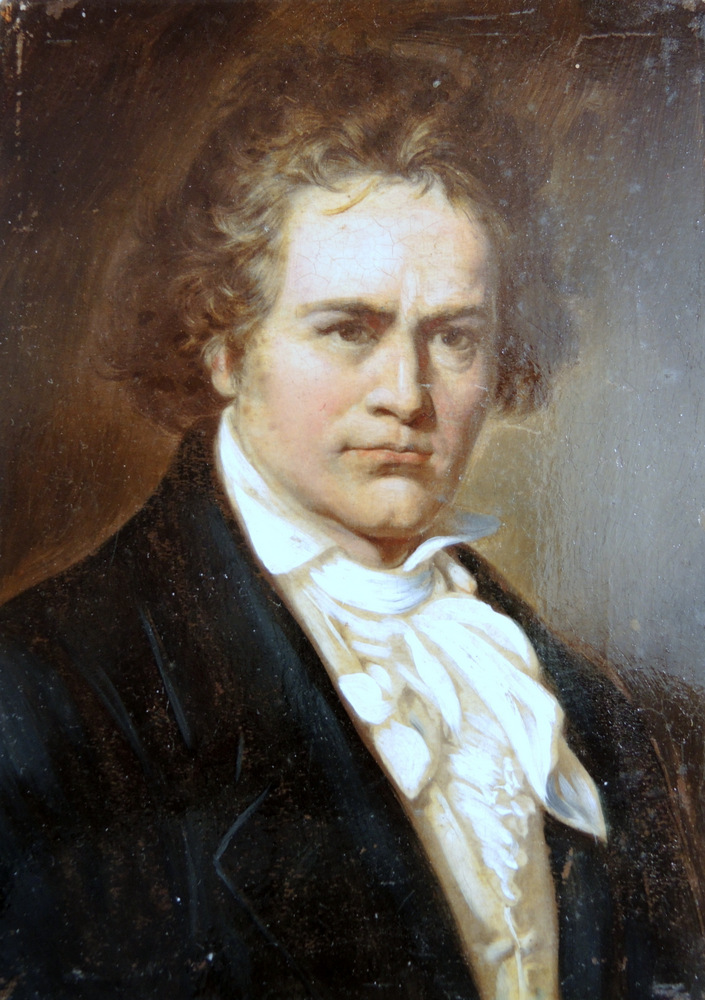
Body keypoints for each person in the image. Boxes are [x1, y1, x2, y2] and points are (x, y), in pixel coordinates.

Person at [0, 44, 701, 1000]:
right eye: (347, 330)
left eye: (453, 337)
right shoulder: (48, 695)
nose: (406, 394)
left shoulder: (586, 712)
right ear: (225, 343)